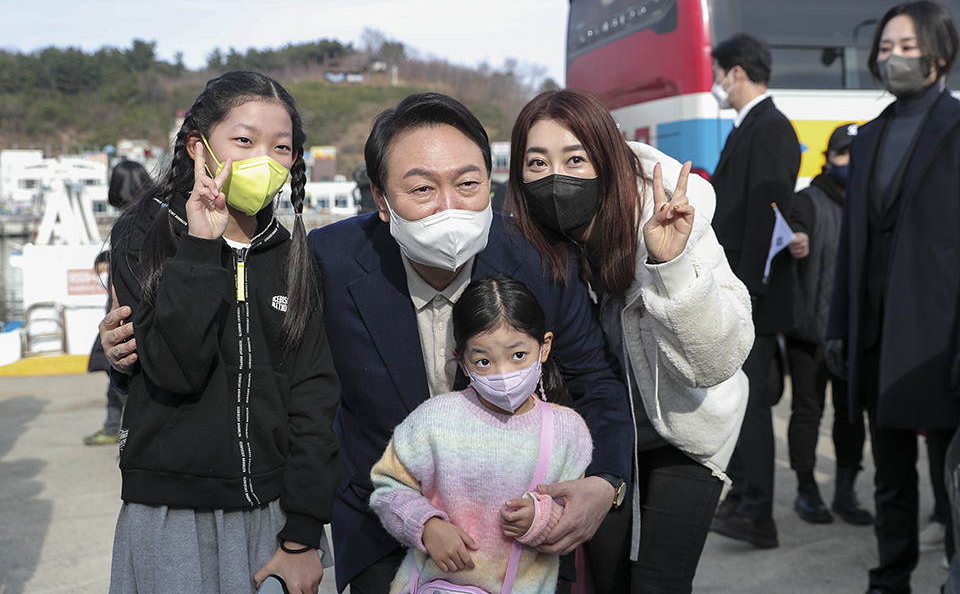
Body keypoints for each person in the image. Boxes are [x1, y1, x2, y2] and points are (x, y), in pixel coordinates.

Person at [100, 91, 634, 594]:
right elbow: (250, 356)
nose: (449, 207)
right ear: (381, 198)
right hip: (385, 532)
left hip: (519, 534)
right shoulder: (327, 261)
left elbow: (598, 382)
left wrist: (605, 482)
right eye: (422, 188)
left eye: (468, 185)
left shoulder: (540, 260)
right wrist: (128, 355)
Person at [505, 88, 754, 594]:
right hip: (601, 433)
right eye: (537, 162)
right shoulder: (529, 242)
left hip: (685, 429)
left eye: (575, 158)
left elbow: (714, 361)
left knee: (658, 583)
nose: (557, 177)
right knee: (606, 579)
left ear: (608, 158)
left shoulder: (670, 219)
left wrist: (672, 266)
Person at [106, 70, 341, 594]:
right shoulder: (143, 235)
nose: (265, 158)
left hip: (274, 515)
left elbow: (313, 394)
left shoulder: (292, 253)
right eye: (244, 140)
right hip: (167, 512)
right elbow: (174, 369)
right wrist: (199, 247)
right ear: (198, 147)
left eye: (282, 148)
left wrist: (303, 534)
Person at [825, 0, 960, 594]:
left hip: (940, 336)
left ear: (940, 54)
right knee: (892, 474)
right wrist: (838, 324)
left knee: (950, 474)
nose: (894, 58)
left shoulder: (956, 127)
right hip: (877, 332)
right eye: (885, 48)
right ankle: (891, 576)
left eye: (907, 47)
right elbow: (852, 243)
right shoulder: (871, 133)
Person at [369, 274, 593, 594]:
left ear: (544, 347)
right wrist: (426, 525)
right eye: (484, 361)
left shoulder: (568, 432)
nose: (503, 374)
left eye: (518, 355)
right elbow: (388, 487)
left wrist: (541, 519)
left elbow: (575, 515)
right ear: (463, 362)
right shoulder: (434, 420)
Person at [707, 33, 801, 549]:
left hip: (752, 297)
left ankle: (758, 512)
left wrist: (750, 292)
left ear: (736, 72)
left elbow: (769, 217)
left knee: (754, 402)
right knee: (742, 400)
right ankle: (744, 499)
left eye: (720, 72)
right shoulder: (751, 126)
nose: (718, 83)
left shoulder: (769, 127)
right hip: (740, 291)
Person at [784, 123, 872, 526]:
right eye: (842, 155)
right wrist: (796, 240)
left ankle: (845, 492)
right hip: (810, 330)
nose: (849, 163)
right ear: (827, 158)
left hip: (855, 332)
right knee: (808, 411)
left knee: (851, 414)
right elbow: (791, 235)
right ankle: (807, 491)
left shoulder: (871, 201)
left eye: (856, 155)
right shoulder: (807, 201)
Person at [83, 160, 152, 446]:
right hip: (146, 312)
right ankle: (119, 427)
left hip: (121, 311)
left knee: (119, 373)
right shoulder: (156, 216)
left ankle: (120, 430)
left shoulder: (124, 223)